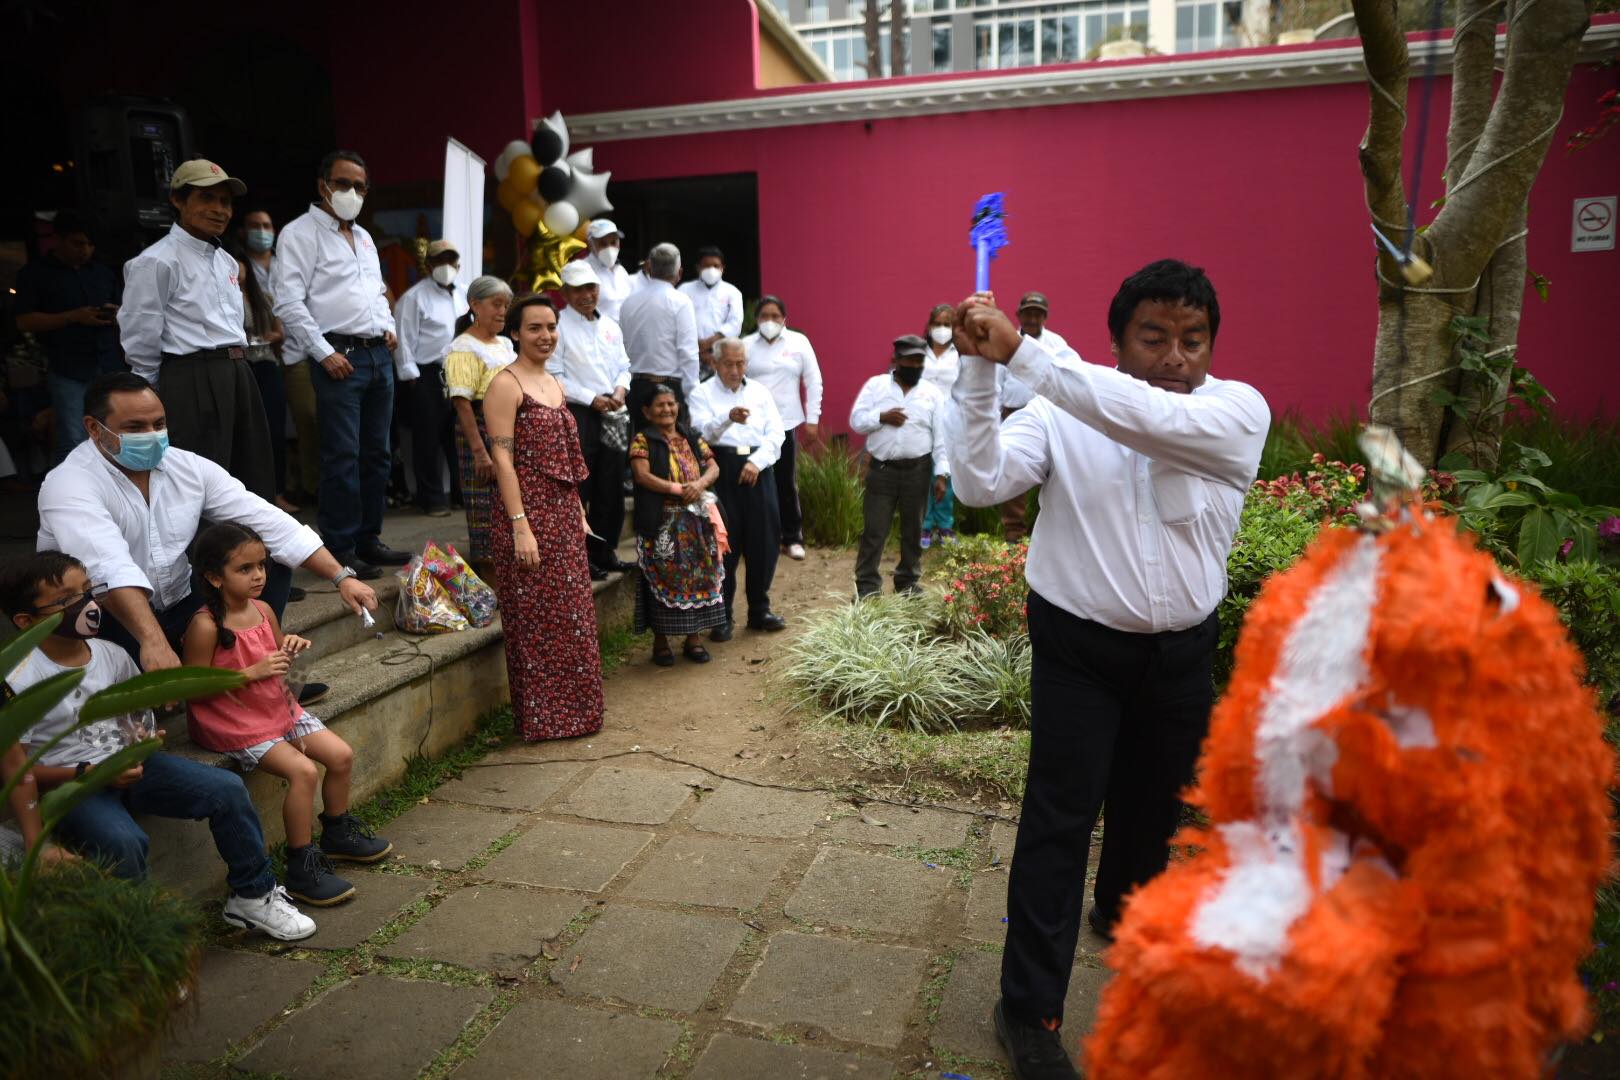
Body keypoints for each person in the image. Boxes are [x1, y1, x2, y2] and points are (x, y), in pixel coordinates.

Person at [949, 261, 1269, 1080]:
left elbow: (1145, 418)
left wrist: (1026, 356)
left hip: (1181, 653)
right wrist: (982, 375)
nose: (1176, 356)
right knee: (1059, 824)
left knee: (1151, 809)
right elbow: (981, 482)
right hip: (1078, 648)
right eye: (1154, 337)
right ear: (1117, 340)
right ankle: (1028, 1012)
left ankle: (1120, 911)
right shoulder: (1062, 410)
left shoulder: (1236, 413)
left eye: (1192, 339)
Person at [1, 551, 317, 941]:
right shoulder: (16, 679)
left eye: (87, 591)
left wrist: (142, 743)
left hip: (133, 768)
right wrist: (87, 776)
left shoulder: (111, 655)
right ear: (25, 621)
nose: (87, 605)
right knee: (125, 842)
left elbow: (135, 718)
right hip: (72, 786)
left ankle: (254, 896)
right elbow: (17, 771)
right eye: (67, 600)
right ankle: (140, 939)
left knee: (227, 790)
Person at [35, 372, 380, 679]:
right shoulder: (69, 483)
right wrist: (153, 643)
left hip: (181, 603)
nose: (152, 436)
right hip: (109, 616)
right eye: (136, 428)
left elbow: (267, 520)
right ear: (94, 428)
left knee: (265, 560)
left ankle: (257, 674)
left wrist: (341, 577)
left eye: (159, 424)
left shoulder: (187, 466)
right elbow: (107, 566)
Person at [182, 522, 391, 907]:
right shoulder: (205, 625)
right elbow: (190, 688)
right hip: (233, 719)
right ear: (213, 577)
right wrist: (250, 673)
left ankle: (337, 833)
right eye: (244, 569)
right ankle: (301, 865)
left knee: (341, 755)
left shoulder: (262, 609)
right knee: (304, 771)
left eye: (261, 565)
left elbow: (274, 659)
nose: (258, 575)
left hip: (275, 706)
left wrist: (288, 650)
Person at [272, 150, 409, 577]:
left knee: (378, 454)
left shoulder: (365, 238)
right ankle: (341, 546)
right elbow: (288, 301)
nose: (352, 193)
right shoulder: (299, 234)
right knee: (342, 456)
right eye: (344, 183)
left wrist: (387, 325)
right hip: (338, 355)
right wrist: (322, 351)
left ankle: (368, 538)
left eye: (360, 186)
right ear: (323, 185)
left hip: (376, 354)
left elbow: (376, 290)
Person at [484, 295, 605, 741]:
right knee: (534, 622)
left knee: (573, 618)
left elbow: (567, 461)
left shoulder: (555, 383)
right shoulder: (505, 384)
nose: (546, 335)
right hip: (526, 517)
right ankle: (543, 721)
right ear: (515, 332)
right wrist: (520, 526)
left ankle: (579, 716)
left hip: (562, 515)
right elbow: (502, 461)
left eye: (551, 327)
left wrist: (579, 513)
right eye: (534, 327)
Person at [118, 159, 275, 502]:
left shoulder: (226, 261)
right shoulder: (156, 260)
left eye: (225, 201)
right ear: (178, 200)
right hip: (192, 378)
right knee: (201, 481)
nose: (219, 210)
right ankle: (203, 555)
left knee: (250, 474)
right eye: (207, 199)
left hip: (237, 371)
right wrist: (148, 391)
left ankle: (253, 554)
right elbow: (141, 332)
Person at [689, 337, 786, 639]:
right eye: (728, 363)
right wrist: (727, 418)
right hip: (721, 468)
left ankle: (759, 609)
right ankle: (722, 615)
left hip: (757, 469)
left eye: (740, 363)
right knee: (723, 544)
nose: (735, 369)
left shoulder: (760, 392)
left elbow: (777, 434)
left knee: (764, 540)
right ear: (714, 363)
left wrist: (757, 462)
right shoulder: (701, 392)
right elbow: (700, 433)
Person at [14, 210, 124, 466]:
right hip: (67, 366)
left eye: (89, 244)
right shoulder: (36, 274)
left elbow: (125, 311)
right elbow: (24, 321)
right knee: (73, 438)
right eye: (77, 243)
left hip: (108, 361)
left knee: (117, 431)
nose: (84, 250)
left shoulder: (102, 271)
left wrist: (117, 313)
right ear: (59, 239)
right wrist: (72, 316)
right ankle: (68, 497)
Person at [628, 383, 727, 665]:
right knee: (662, 577)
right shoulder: (642, 439)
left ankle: (693, 639)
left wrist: (699, 484)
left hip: (696, 520)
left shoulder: (691, 435)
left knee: (698, 575)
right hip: (662, 522)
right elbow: (642, 476)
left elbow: (714, 466)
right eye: (660, 405)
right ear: (647, 411)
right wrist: (678, 490)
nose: (667, 409)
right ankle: (660, 642)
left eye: (671, 404)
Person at [849, 335, 950, 599]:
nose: (915, 365)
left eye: (920, 361)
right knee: (874, 529)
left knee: (913, 530)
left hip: (918, 470)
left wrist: (941, 474)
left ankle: (908, 582)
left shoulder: (932, 393)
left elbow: (941, 437)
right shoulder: (875, 386)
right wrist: (881, 417)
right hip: (882, 470)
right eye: (910, 360)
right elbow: (857, 421)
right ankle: (867, 586)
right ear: (896, 360)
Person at [549, 259, 632, 578]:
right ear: (566, 293)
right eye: (578, 289)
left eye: (591, 288)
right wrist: (591, 398)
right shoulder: (558, 325)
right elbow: (555, 376)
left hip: (613, 410)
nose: (586, 295)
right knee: (581, 485)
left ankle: (606, 549)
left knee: (611, 484)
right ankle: (582, 556)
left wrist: (620, 391)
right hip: (579, 412)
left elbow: (624, 366)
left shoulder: (610, 324)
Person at [245, 208, 320, 507]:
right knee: (268, 428)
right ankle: (273, 492)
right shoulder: (237, 267)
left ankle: (311, 487)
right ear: (243, 231)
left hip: (299, 351)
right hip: (260, 357)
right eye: (255, 226)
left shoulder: (285, 264)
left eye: (267, 225)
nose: (261, 231)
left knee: (311, 421)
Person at [443, 275, 517, 570]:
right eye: (496, 304)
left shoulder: (504, 343)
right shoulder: (462, 348)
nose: (502, 312)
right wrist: (480, 453)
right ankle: (491, 582)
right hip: (481, 430)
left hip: (510, 429)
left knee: (510, 503)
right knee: (484, 508)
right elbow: (462, 404)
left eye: (506, 306)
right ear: (474, 304)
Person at [995, 291, 1080, 542]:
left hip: (1050, 414)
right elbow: (995, 381)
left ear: (1045, 317)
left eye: (1038, 313)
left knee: (1057, 470)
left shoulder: (1056, 344)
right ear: (1018, 315)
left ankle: (1051, 532)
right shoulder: (1005, 341)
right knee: (1013, 468)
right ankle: (1014, 533)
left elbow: (1073, 372)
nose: (1032, 318)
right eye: (1028, 313)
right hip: (1013, 412)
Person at [742, 295, 822, 561]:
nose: (770, 321)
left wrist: (813, 420)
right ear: (756, 319)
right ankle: (759, 537)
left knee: (785, 481)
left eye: (776, 316)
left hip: (786, 423)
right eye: (764, 316)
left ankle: (792, 537)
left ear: (784, 319)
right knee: (752, 480)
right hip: (751, 426)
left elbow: (813, 381)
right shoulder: (745, 345)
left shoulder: (798, 343)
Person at [393, 239, 467, 517]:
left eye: (450, 261)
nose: (445, 267)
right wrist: (410, 376)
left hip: (459, 371)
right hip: (425, 373)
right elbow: (403, 339)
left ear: (458, 264)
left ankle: (461, 494)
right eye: (439, 261)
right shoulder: (413, 297)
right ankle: (432, 498)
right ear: (428, 265)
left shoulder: (463, 293)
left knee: (457, 435)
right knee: (427, 438)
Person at [229, 230, 297, 515]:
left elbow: (280, 331)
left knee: (273, 432)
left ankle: (276, 492)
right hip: (238, 366)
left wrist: (268, 337)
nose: (235, 269)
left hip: (265, 362)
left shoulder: (262, 296)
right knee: (242, 434)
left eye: (238, 263)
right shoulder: (221, 295)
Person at [620, 242, 699, 429]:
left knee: (639, 452)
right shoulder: (681, 302)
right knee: (670, 453)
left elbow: (621, 348)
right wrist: (693, 398)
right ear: (679, 273)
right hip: (670, 390)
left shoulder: (629, 302)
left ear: (649, 268)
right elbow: (688, 354)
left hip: (635, 388)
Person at [920, 303, 960, 549]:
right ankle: (924, 526)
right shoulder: (919, 352)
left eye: (947, 324)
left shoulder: (959, 354)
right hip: (922, 420)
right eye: (938, 323)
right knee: (924, 472)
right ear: (929, 325)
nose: (942, 329)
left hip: (950, 419)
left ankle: (945, 525)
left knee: (946, 473)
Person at [678, 246, 743, 379]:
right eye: (706, 266)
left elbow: (735, 323)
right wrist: (696, 346)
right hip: (690, 353)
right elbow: (677, 321)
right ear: (698, 268)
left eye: (716, 265)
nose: (711, 269)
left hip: (721, 354)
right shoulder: (684, 290)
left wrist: (709, 344)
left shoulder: (732, 292)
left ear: (722, 268)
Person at [585, 220, 632, 321]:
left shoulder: (621, 271)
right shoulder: (583, 270)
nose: (609, 248)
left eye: (613, 242)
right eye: (602, 243)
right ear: (590, 244)